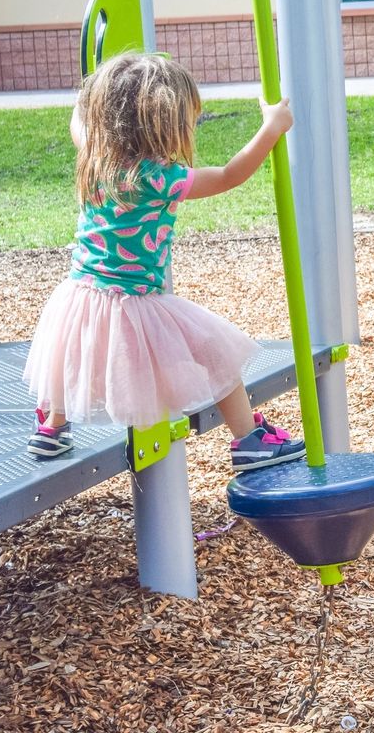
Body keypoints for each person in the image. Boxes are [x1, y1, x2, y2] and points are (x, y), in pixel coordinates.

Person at [24, 53, 305, 472]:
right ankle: (249, 440)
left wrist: (95, 90)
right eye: (187, 120)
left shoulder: (95, 156)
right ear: (162, 123)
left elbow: (77, 123)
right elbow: (230, 175)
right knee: (214, 350)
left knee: (74, 354)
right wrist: (272, 127)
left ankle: (51, 429)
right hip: (133, 299)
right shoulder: (161, 178)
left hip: (80, 294)